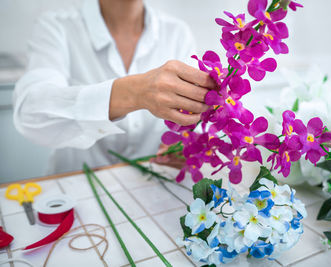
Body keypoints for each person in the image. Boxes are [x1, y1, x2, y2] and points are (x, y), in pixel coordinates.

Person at [13, 0, 216, 174]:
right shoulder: (57, 26)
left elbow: (189, 121)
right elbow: (31, 112)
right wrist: (135, 92)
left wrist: (183, 146)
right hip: (74, 191)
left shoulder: (177, 33)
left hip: (151, 187)